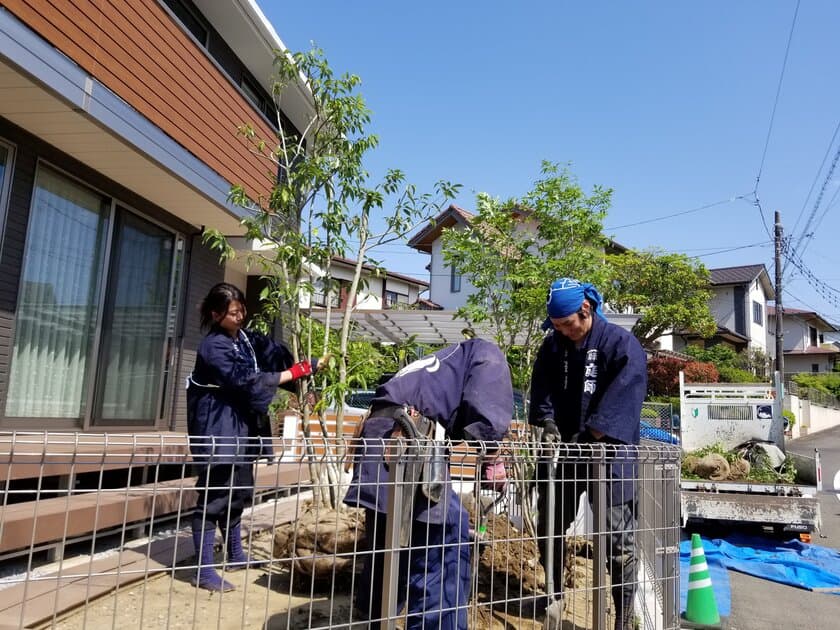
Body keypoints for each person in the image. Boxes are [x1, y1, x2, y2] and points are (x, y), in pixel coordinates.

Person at [343, 338, 513, 630]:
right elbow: (488, 413)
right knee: (448, 539)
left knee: (388, 544)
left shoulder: (442, 361)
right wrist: (493, 454)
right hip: (409, 439)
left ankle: (377, 618)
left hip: (380, 440)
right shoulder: (487, 353)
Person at [186, 282, 325, 592]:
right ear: (215, 314)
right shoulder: (213, 346)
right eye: (233, 313)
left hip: (242, 425)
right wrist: (295, 373)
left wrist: (306, 374)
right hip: (217, 426)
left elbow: (275, 355)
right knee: (215, 493)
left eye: (242, 310)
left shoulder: (246, 339)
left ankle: (235, 553)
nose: (240, 317)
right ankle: (202, 568)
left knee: (239, 491)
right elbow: (245, 380)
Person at [528, 278, 647, 630]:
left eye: (568, 324)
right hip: (565, 452)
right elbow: (542, 389)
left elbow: (626, 396)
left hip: (609, 455)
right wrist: (548, 421)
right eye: (557, 326)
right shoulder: (553, 347)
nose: (564, 332)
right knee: (549, 521)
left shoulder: (620, 344)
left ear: (586, 310)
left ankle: (622, 617)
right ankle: (552, 594)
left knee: (618, 540)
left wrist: (592, 431)